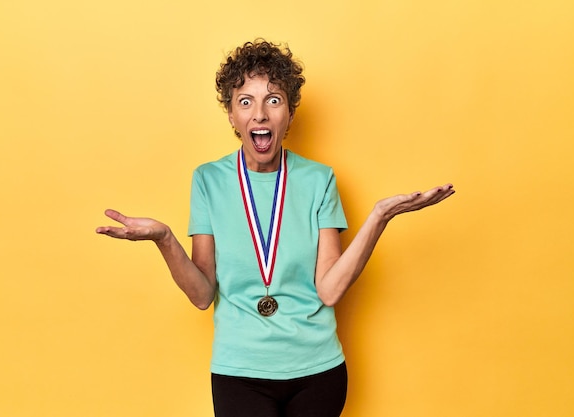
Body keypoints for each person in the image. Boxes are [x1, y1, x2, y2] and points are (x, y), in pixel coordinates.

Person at [96, 39, 455, 417]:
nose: (260, 114)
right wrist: (164, 238)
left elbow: (330, 290)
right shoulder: (209, 181)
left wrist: (380, 216)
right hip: (240, 373)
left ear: (289, 113)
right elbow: (202, 295)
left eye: (274, 99)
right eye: (245, 101)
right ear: (232, 116)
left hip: (318, 371)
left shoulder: (320, 180)